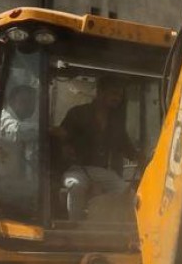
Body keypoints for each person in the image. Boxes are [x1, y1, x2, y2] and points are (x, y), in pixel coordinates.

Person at [57, 77, 139, 222]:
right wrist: (65, 146)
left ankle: (107, 222)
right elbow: (62, 137)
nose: (117, 99)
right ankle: (74, 226)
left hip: (102, 171)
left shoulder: (116, 121)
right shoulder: (78, 113)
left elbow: (125, 146)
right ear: (100, 93)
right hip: (77, 169)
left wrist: (141, 158)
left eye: (119, 96)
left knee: (129, 194)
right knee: (76, 186)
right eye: (113, 94)